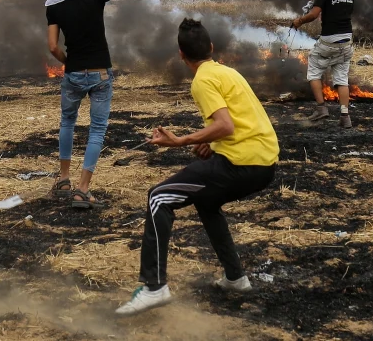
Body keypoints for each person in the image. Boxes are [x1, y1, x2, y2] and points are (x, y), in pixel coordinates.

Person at [116, 18, 279, 316]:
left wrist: (181, 140)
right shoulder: (227, 72)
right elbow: (237, 122)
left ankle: (154, 288)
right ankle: (235, 279)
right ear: (212, 48)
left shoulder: (202, 81)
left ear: (181, 55)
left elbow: (225, 125)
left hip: (242, 164)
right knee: (206, 201)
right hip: (263, 161)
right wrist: (211, 143)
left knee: (158, 198)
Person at [46, 0, 141, 209]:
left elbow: (53, 47)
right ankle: (83, 190)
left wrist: (69, 63)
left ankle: (64, 180)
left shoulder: (54, 5)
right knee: (97, 129)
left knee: (67, 122)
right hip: (100, 73)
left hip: (73, 73)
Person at [290, 0, 355, 128]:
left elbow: (314, 14)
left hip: (329, 41)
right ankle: (345, 117)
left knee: (313, 70)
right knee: (342, 79)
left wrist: (299, 21)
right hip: (347, 41)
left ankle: (321, 108)